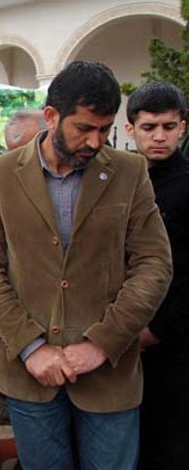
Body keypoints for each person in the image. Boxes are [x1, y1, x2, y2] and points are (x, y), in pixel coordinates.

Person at [0, 61, 173, 469]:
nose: (96, 142)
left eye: (105, 129)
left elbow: (154, 263)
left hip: (109, 377)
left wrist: (102, 342)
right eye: (84, 128)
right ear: (51, 116)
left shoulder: (129, 173)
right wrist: (30, 346)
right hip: (29, 376)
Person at [125, 81, 189, 470]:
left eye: (168, 126)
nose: (159, 136)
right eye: (149, 127)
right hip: (121, 338)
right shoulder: (118, 181)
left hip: (175, 343)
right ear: (131, 129)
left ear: (183, 126)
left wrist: (158, 329)